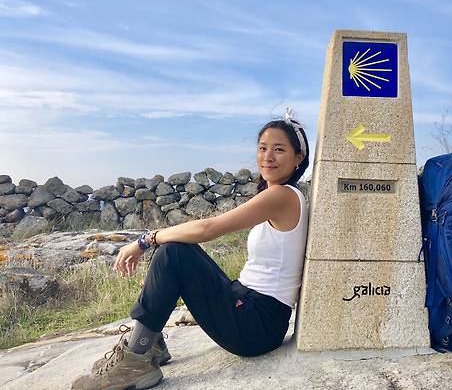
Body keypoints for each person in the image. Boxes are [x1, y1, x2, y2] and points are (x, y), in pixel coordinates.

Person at [72, 110, 310, 390]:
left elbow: (209, 228)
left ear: (298, 159)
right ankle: (150, 344)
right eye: (262, 148)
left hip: (255, 325)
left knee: (173, 252)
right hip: (249, 304)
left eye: (279, 149)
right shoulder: (279, 195)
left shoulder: (281, 196)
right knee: (176, 250)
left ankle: (137, 359)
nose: (267, 157)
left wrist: (147, 240)